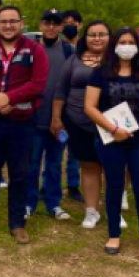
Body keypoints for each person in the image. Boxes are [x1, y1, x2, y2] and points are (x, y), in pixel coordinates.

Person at [0, 5, 48, 245]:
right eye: (4, 21)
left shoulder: (35, 50)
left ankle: (17, 224)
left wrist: (10, 98)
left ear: (21, 24)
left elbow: (38, 83)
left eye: (13, 21)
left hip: (21, 122)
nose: (8, 25)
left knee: (20, 173)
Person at [85, 27, 139, 256]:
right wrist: (113, 129)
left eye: (131, 41)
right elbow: (89, 107)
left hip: (138, 140)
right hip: (110, 139)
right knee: (114, 185)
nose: (127, 45)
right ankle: (114, 236)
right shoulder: (100, 73)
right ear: (115, 45)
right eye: (122, 41)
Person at [53, 20, 111, 229]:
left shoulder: (118, 61)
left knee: (112, 167)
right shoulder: (74, 60)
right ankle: (91, 211)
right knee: (88, 166)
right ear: (84, 38)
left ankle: (113, 211)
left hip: (110, 122)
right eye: (92, 34)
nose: (97, 38)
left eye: (102, 34)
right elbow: (61, 90)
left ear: (109, 37)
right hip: (78, 121)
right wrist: (57, 117)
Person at [26, 9, 73, 220]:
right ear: (41, 25)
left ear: (61, 27)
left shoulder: (68, 51)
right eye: (47, 23)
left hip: (59, 120)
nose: (51, 27)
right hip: (34, 118)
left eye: (56, 23)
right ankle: (29, 203)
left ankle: (53, 203)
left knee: (54, 165)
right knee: (32, 164)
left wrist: (64, 117)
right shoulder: (31, 49)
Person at [58, 10, 84, 202]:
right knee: (56, 149)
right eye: (65, 22)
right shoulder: (58, 47)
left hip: (78, 106)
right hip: (59, 103)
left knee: (75, 150)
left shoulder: (85, 47)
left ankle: (73, 185)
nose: (69, 25)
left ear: (80, 25)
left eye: (73, 22)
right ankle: (51, 184)